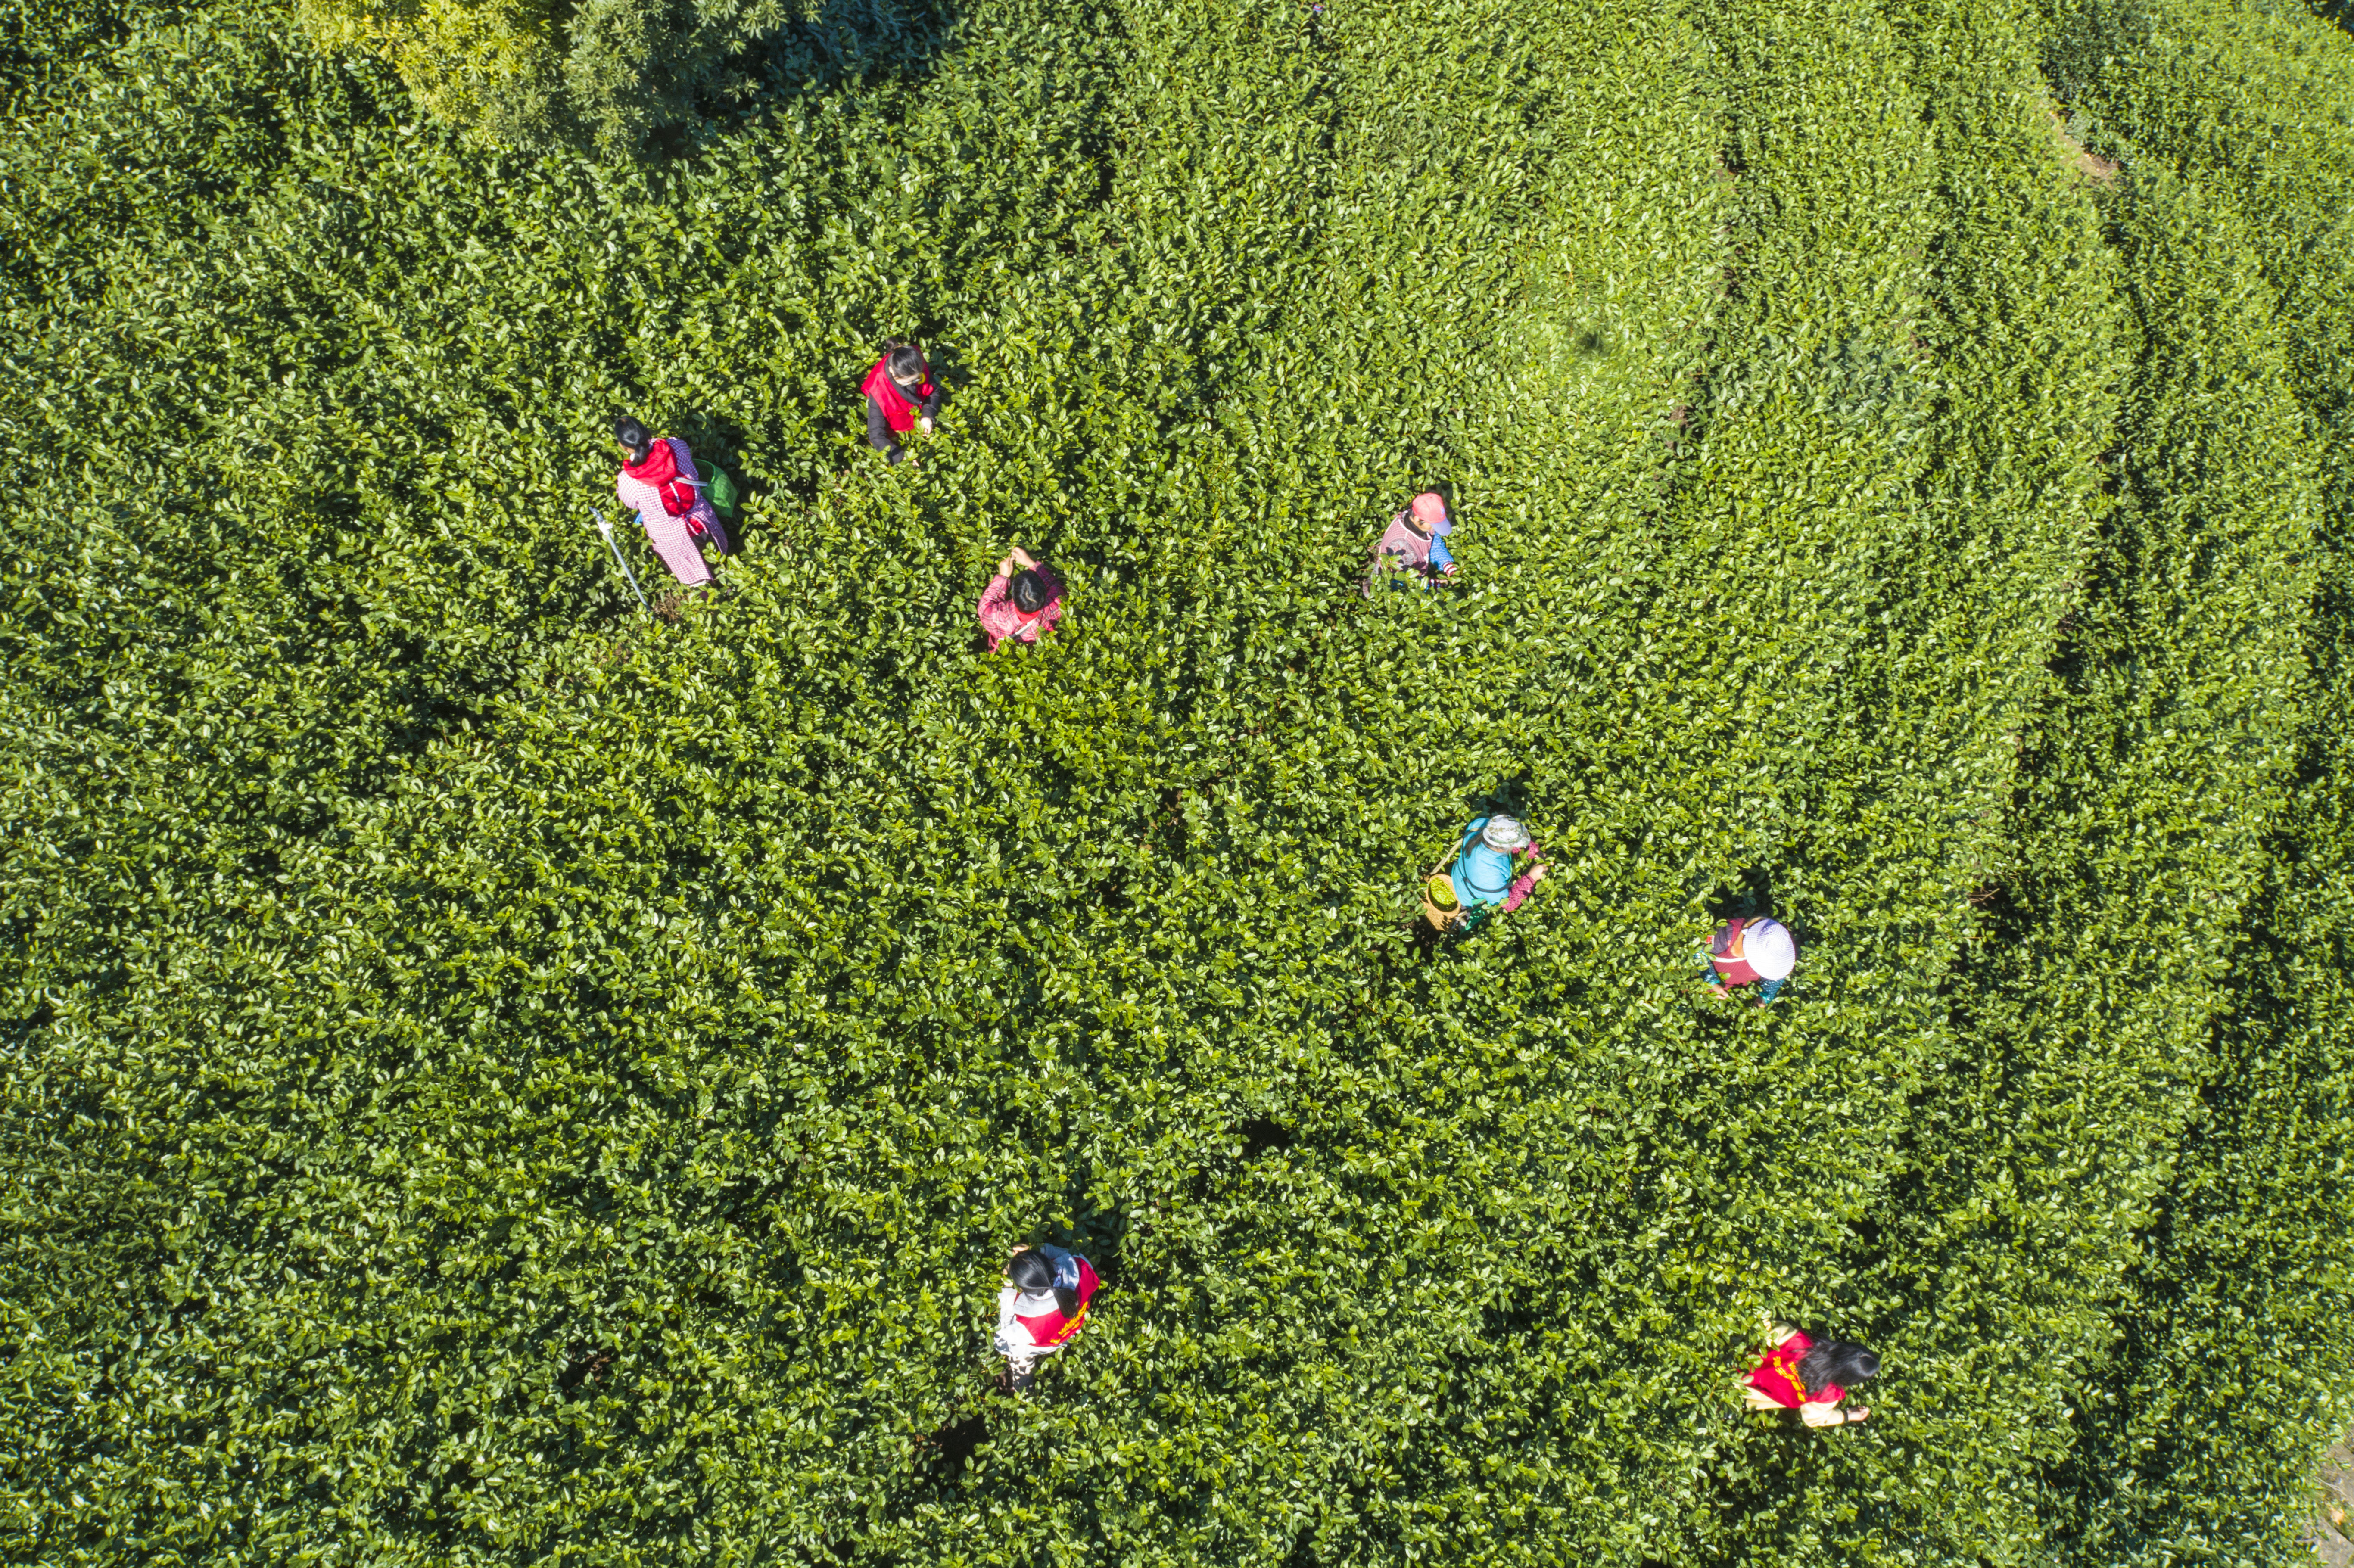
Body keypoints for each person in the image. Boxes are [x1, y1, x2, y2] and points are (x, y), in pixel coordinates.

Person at [612, 414, 728, 588]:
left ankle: (706, 601)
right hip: (702, 519)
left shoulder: (628, 480)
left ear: (622, 445)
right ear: (646, 432)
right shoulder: (677, 446)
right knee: (720, 561)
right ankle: (729, 587)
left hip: (671, 536)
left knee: (694, 576)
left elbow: (630, 503)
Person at [993, 1242, 1099, 1390]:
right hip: (1069, 1330)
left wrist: (1006, 1286)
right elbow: (1064, 1253)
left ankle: (1025, 1393)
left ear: (1023, 1289)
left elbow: (1006, 1331)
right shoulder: (1080, 1267)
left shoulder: (1028, 1325)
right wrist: (1036, 1253)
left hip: (1039, 1345)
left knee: (1020, 1359)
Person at [1423, 813, 1546, 931]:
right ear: (1501, 847)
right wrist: (1532, 877)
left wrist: (1535, 852)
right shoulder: (1489, 877)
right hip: (1466, 899)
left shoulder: (1481, 824)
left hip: (1457, 874)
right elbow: (1509, 904)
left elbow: (1505, 842)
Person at [1744, 1323, 1877, 1427]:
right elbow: (1814, 1419)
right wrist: (1847, 1415)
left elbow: (1761, 1329)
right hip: (1739, 1397)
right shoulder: (1827, 1396)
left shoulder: (1799, 1343)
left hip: (1730, 1361)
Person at [861, 343, 944, 464]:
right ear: (892, 372)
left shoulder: (915, 363)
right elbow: (876, 435)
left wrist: (927, 415)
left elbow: (933, 391)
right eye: (907, 382)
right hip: (897, 435)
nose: (913, 384)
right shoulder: (878, 389)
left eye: (917, 380)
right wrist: (901, 457)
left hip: (916, 424)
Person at [977, 547, 1065, 651]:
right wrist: (1031, 563)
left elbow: (986, 603)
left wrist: (1003, 576)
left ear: (1013, 597)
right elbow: (1055, 585)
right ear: (1044, 593)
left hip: (1003, 653)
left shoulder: (995, 617)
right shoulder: (1056, 607)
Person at [1366, 491, 1457, 590]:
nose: (1434, 528)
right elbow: (1400, 583)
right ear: (1418, 519)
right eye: (1433, 524)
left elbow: (1434, 543)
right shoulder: (1401, 547)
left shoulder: (1415, 517)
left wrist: (1447, 564)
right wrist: (1432, 586)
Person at [1703, 915, 1797, 1003]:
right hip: (1700, 984)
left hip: (1729, 991)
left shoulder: (1778, 948)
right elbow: (1698, 952)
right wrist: (1711, 983)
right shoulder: (1728, 935)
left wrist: (1764, 997)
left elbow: (1776, 976)